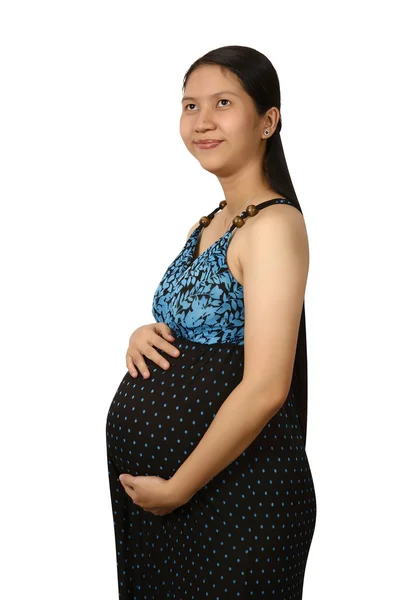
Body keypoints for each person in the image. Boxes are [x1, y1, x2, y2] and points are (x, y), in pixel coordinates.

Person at [106, 44, 317, 599]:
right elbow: (206, 325)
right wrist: (143, 333)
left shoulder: (272, 225)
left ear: (268, 120)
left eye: (222, 103)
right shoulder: (211, 222)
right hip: (170, 504)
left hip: (237, 497)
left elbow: (269, 387)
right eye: (190, 105)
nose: (202, 122)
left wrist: (178, 488)